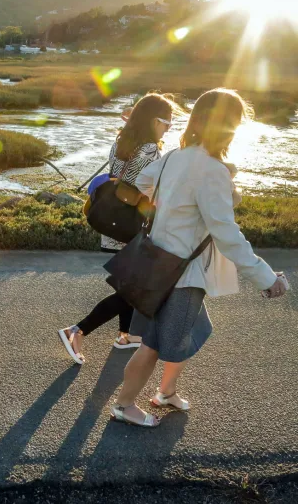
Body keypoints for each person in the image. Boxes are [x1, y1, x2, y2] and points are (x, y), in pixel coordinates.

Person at [111, 88, 289, 427]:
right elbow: (226, 234)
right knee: (152, 343)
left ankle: (166, 392)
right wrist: (267, 279)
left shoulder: (177, 156)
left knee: (191, 329)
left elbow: (146, 180)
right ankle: (123, 404)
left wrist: (174, 205)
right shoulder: (211, 169)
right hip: (181, 273)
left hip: (158, 261)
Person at [58, 93, 180, 364]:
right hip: (135, 223)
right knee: (133, 288)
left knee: (130, 282)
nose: (168, 127)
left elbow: (120, 177)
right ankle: (77, 330)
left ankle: (126, 335)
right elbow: (149, 187)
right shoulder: (149, 149)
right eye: (165, 122)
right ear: (151, 120)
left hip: (116, 219)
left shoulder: (121, 141)